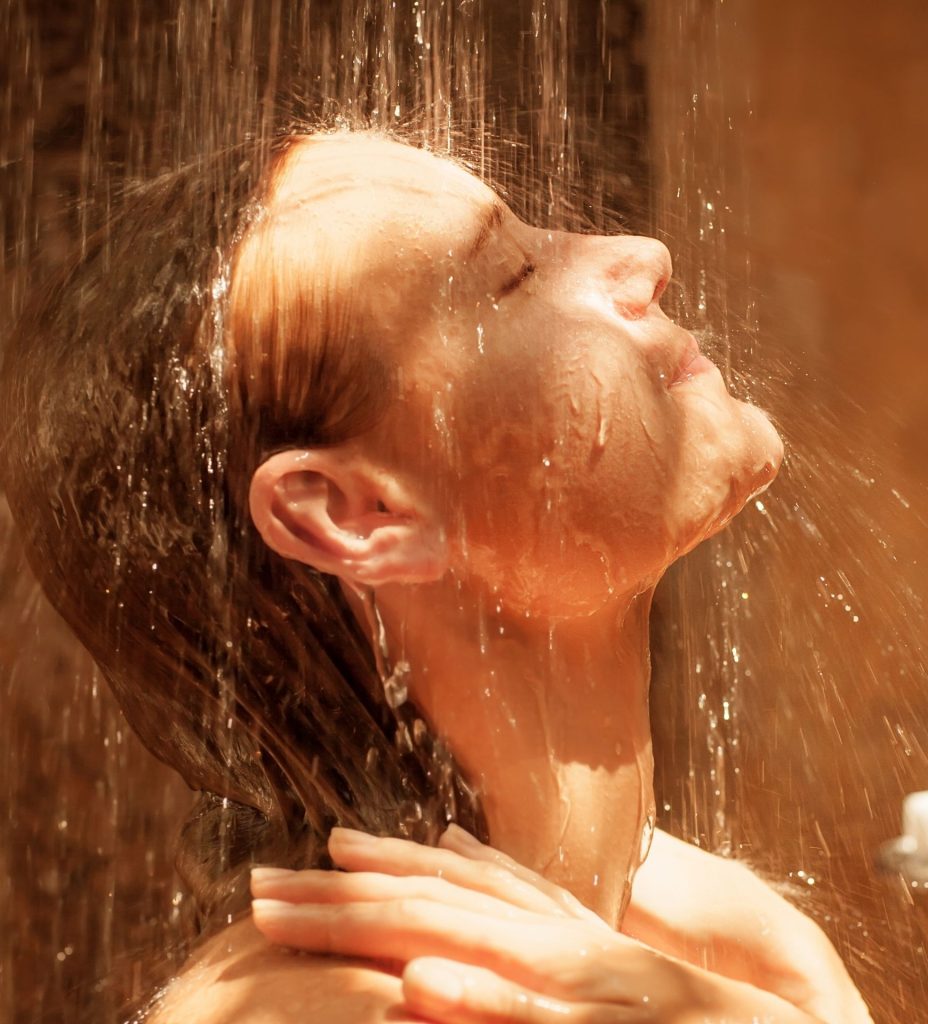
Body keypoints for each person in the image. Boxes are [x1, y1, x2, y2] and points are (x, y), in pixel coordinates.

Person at [0, 129, 869, 1022]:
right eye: (514, 277)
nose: (643, 257)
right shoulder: (368, 1007)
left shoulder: (694, 945)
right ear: (357, 513)